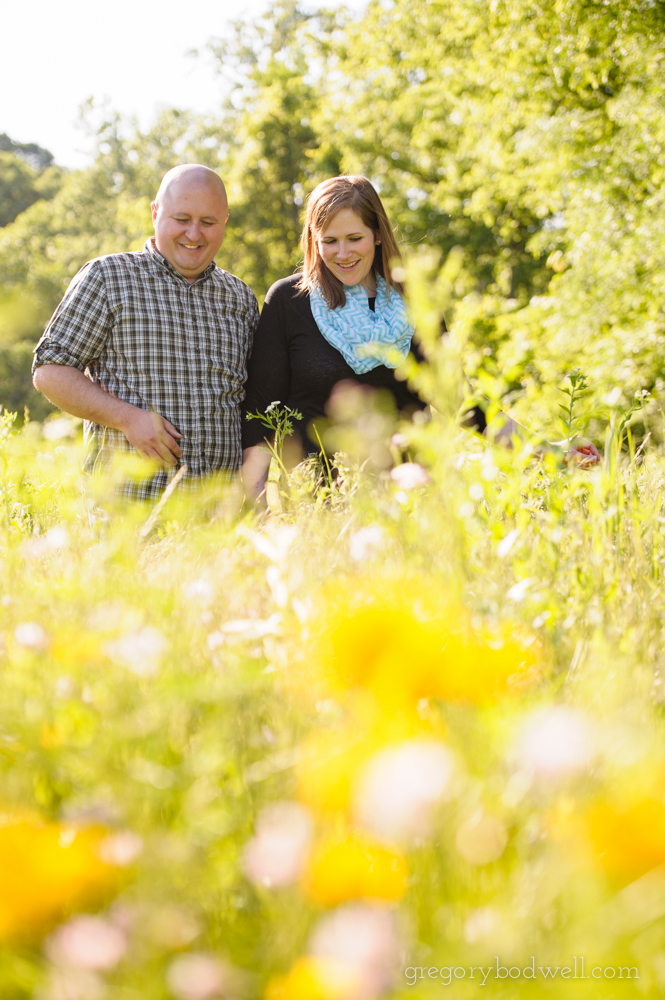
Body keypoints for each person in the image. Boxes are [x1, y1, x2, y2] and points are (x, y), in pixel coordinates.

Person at [241, 175, 493, 500]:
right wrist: (254, 495)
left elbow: (460, 399)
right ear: (313, 240)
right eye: (329, 241)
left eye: (354, 238)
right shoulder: (289, 300)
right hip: (315, 504)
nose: (343, 253)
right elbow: (261, 408)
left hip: (407, 501)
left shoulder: (416, 299)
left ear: (376, 235)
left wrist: (547, 450)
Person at [32, 164, 259, 502]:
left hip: (218, 518)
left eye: (208, 222)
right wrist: (127, 419)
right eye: (181, 220)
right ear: (155, 213)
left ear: (224, 222)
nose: (194, 234)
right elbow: (49, 372)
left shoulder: (240, 298)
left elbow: (249, 401)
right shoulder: (107, 278)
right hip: (129, 511)